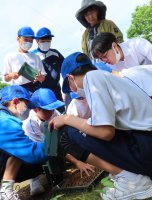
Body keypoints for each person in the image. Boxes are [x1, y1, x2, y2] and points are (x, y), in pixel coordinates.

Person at [49, 52, 152, 200]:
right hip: (144, 143)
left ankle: (132, 180)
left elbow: (105, 132)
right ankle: (129, 175)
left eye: (70, 86)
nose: (73, 90)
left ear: (70, 78)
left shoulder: (92, 78)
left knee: (66, 133)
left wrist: (66, 118)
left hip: (145, 146)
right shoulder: (106, 77)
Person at [23, 88, 95, 193]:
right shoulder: (30, 124)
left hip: (51, 143)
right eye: (47, 110)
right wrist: (77, 162)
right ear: (36, 109)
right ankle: (36, 179)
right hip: (35, 153)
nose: (51, 112)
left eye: (52, 108)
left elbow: (64, 136)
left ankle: (62, 168)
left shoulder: (54, 113)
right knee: (51, 153)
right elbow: (50, 147)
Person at [31, 27, 65, 113]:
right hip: (40, 91)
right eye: (43, 41)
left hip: (56, 90)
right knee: (45, 115)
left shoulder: (55, 53)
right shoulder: (32, 55)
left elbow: (65, 67)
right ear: (37, 41)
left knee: (61, 112)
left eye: (48, 40)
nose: (46, 43)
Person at [4, 26, 46, 93]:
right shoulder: (10, 56)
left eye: (31, 41)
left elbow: (43, 77)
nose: (29, 42)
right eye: (26, 39)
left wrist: (40, 77)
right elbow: (6, 78)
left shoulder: (36, 57)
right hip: (18, 90)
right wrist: (11, 75)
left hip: (35, 88)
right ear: (18, 39)